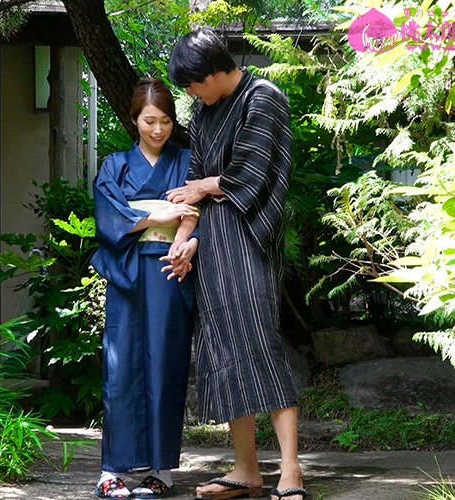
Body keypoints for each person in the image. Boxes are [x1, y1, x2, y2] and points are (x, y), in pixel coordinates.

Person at [166, 29, 307, 500]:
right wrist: (186, 240)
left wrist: (206, 187)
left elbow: (252, 172)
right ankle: (246, 469)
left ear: (212, 73)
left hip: (249, 240)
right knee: (222, 351)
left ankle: (291, 470)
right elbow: (192, 184)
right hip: (212, 244)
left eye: (191, 84)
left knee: (261, 344)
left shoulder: (262, 96)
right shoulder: (203, 113)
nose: (190, 93)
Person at [91, 77, 200, 499]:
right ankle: (111, 471)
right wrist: (157, 217)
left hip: (171, 270)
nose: (158, 129)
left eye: (166, 121)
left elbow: (201, 213)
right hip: (128, 270)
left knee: (166, 364)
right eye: (149, 121)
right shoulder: (115, 165)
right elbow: (108, 217)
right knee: (120, 367)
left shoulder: (187, 161)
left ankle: (161, 470)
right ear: (134, 119)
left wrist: (189, 240)